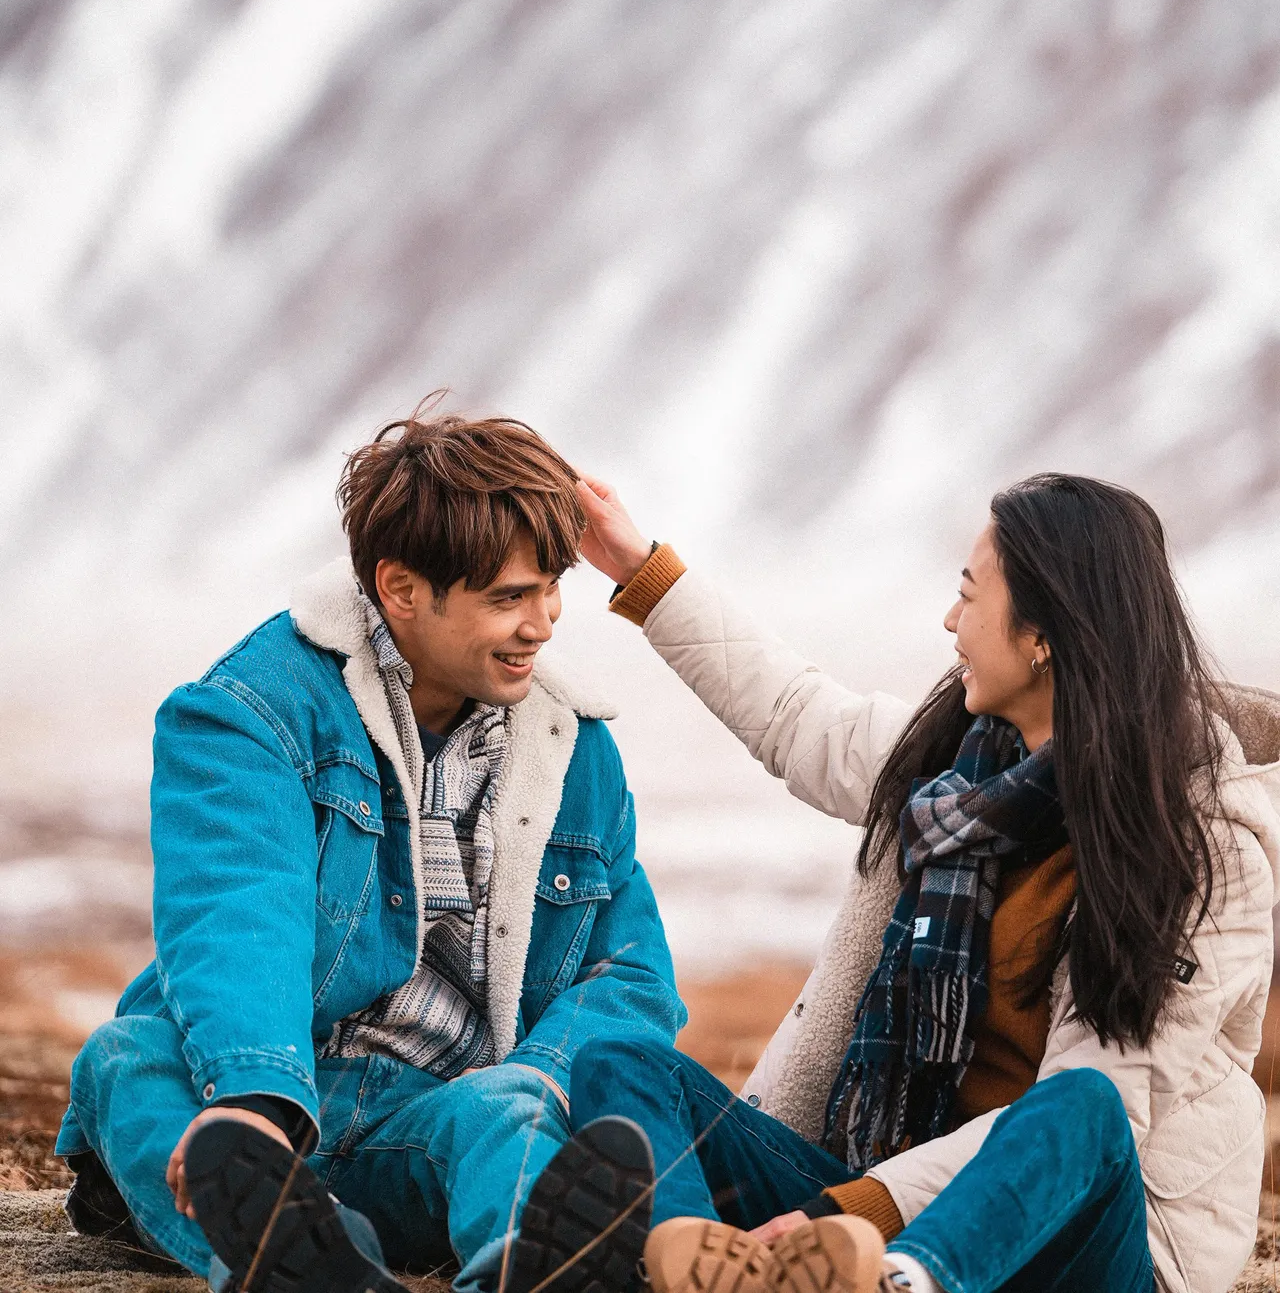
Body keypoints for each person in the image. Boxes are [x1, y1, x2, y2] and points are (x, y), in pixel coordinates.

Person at [569, 472, 1280, 1293]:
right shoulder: (956, 771)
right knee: (624, 1062)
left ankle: (899, 1282)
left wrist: (861, 1211)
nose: (950, 620)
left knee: (1083, 1105)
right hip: (881, 1206)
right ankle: (700, 1268)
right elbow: (797, 715)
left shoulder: (1202, 854)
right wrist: (642, 570)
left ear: (1042, 633)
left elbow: (1110, 1105)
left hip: (1084, 1243)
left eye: (968, 595)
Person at [57, 405, 684, 1293]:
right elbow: (238, 907)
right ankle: (301, 1249)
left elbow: (631, 973)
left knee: (506, 1109)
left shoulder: (574, 750)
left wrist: (542, 1083)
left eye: (552, 588)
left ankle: (534, 1266)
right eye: (509, 597)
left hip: (432, 1119)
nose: (543, 622)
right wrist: (255, 1096)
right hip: (264, 1101)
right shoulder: (251, 710)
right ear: (400, 588)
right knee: (128, 1058)